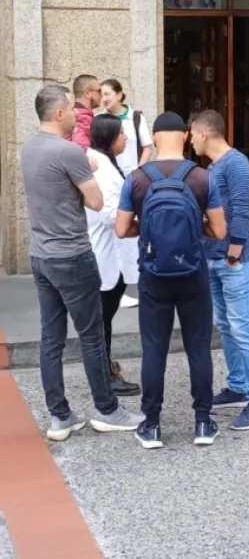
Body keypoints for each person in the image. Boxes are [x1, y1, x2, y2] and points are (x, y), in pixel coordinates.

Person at [22, 85, 144, 441]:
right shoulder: (70, 153)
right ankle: (107, 409)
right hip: (72, 254)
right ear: (59, 113)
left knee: (51, 338)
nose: (78, 115)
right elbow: (94, 201)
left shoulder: (29, 148)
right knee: (91, 337)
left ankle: (60, 416)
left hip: (41, 254)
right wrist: (86, 168)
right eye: (72, 110)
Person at [116, 112, 227, 449]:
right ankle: (203, 422)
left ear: (154, 135)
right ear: (184, 135)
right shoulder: (202, 177)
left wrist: (146, 231)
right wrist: (195, 232)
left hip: (153, 275)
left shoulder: (136, 178)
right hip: (193, 273)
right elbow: (220, 231)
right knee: (198, 348)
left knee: (154, 349)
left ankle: (151, 425)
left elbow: (121, 229)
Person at [190, 110, 249, 432]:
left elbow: (240, 209)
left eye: (192, 133)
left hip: (232, 259)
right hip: (215, 258)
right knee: (226, 325)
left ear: (205, 133)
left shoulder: (235, 163)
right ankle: (238, 385)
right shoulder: (214, 166)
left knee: (241, 328)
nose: (190, 139)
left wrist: (234, 254)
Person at [86, 114, 141, 397]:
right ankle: (104, 376)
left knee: (105, 315)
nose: (127, 138)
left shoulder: (104, 162)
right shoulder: (100, 167)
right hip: (104, 253)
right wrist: (138, 221)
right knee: (102, 319)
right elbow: (108, 214)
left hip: (112, 254)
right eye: (121, 133)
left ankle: (104, 367)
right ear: (109, 137)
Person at [100, 78, 152, 310]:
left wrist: (139, 170)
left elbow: (147, 147)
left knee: (133, 230)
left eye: (108, 93)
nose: (104, 98)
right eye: (101, 93)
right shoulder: (100, 120)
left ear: (121, 95)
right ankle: (117, 285)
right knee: (115, 230)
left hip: (132, 180)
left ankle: (135, 283)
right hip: (110, 179)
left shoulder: (135, 117)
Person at [68, 74, 101, 150]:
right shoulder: (81, 118)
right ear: (87, 94)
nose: (101, 94)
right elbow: (81, 149)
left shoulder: (74, 113)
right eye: (99, 91)